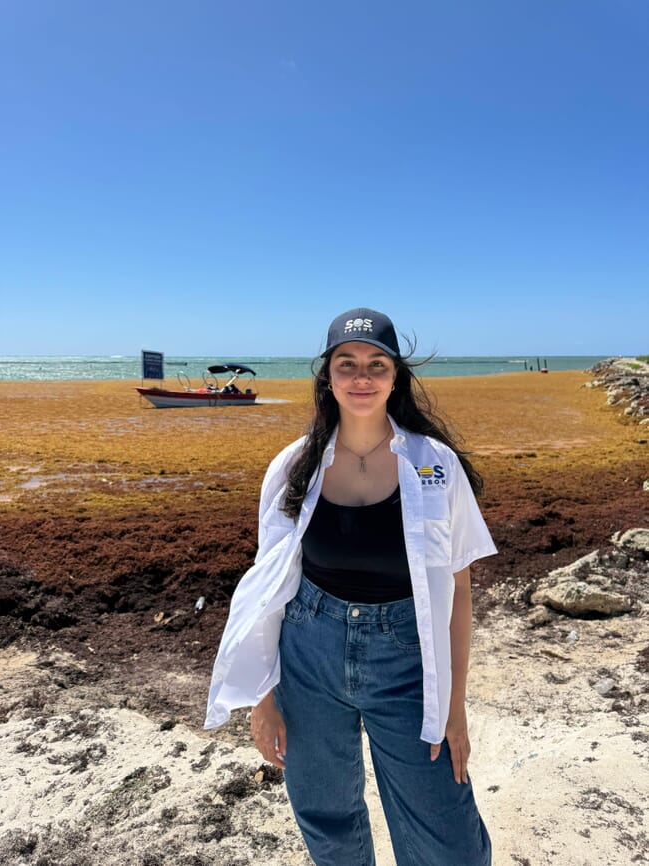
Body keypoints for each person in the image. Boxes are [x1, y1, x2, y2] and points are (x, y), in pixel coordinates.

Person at [205, 307, 497, 865]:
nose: (362, 377)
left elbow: (460, 593)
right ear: (328, 377)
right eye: (347, 364)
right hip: (309, 654)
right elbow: (267, 589)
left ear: (395, 377)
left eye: (376, 364)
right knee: (328, 821)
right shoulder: (293, 466)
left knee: (449, 839)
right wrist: (263, 701)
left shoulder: (435, 465)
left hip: (408, 658)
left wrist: (455, 707)